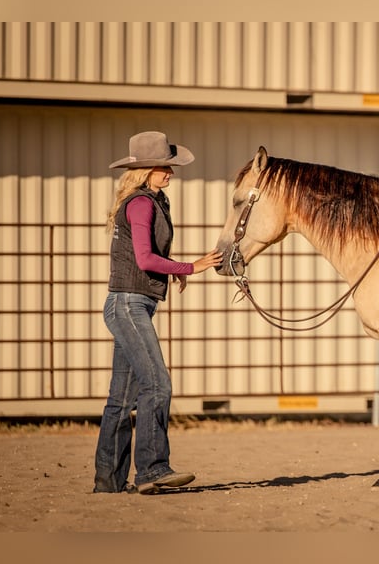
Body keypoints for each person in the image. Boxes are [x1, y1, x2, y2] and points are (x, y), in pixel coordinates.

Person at [93, 131, 223, 495]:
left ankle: (109, 480)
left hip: (130, 304)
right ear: (146, 170)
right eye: (165, 167)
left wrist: (172, 274)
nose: (170, 172)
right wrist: (189, 267)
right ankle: (152, 470)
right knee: (157, 383)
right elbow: (145, 259)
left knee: (121, 399)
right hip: (130, 306)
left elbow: (150, 261)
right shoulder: (142, 204)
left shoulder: (150, 201)